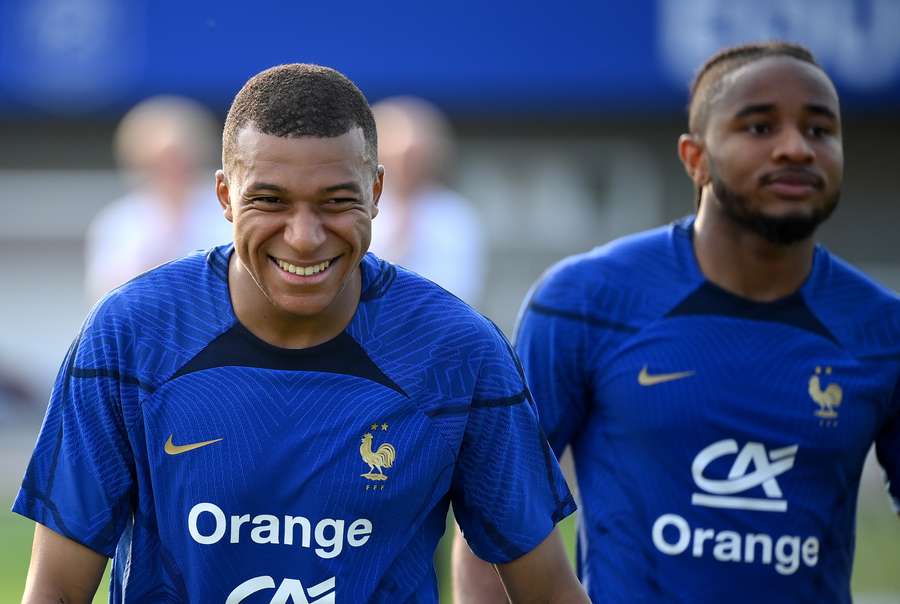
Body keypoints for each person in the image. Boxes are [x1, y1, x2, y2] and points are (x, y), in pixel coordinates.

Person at [14, 64, 588, 603]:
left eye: (337, 202)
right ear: (223, 196)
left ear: (377, 193)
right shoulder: (131, 335)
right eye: (270, 201)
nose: (305, 236)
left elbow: (548, 591)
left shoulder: (458, 351)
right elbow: (56, 590)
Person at [454, 41, 900, 603]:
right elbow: (495, 520)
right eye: (759, 128)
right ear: (695, 158)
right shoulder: (584, 301)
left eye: (819, 130)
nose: (795, 148)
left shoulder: (883, 332)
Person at [84, 95, 232, 302]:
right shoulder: (118, 222)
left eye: (179, 160)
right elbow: (106, 295)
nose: (172, 170)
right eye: (161, 162)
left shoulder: (227, 213)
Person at [369, 96, 486, 306]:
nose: (407, 166)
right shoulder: (359, 209)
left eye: (415, 156)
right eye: (399, 156)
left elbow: (460, 288)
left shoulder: (455, 215)